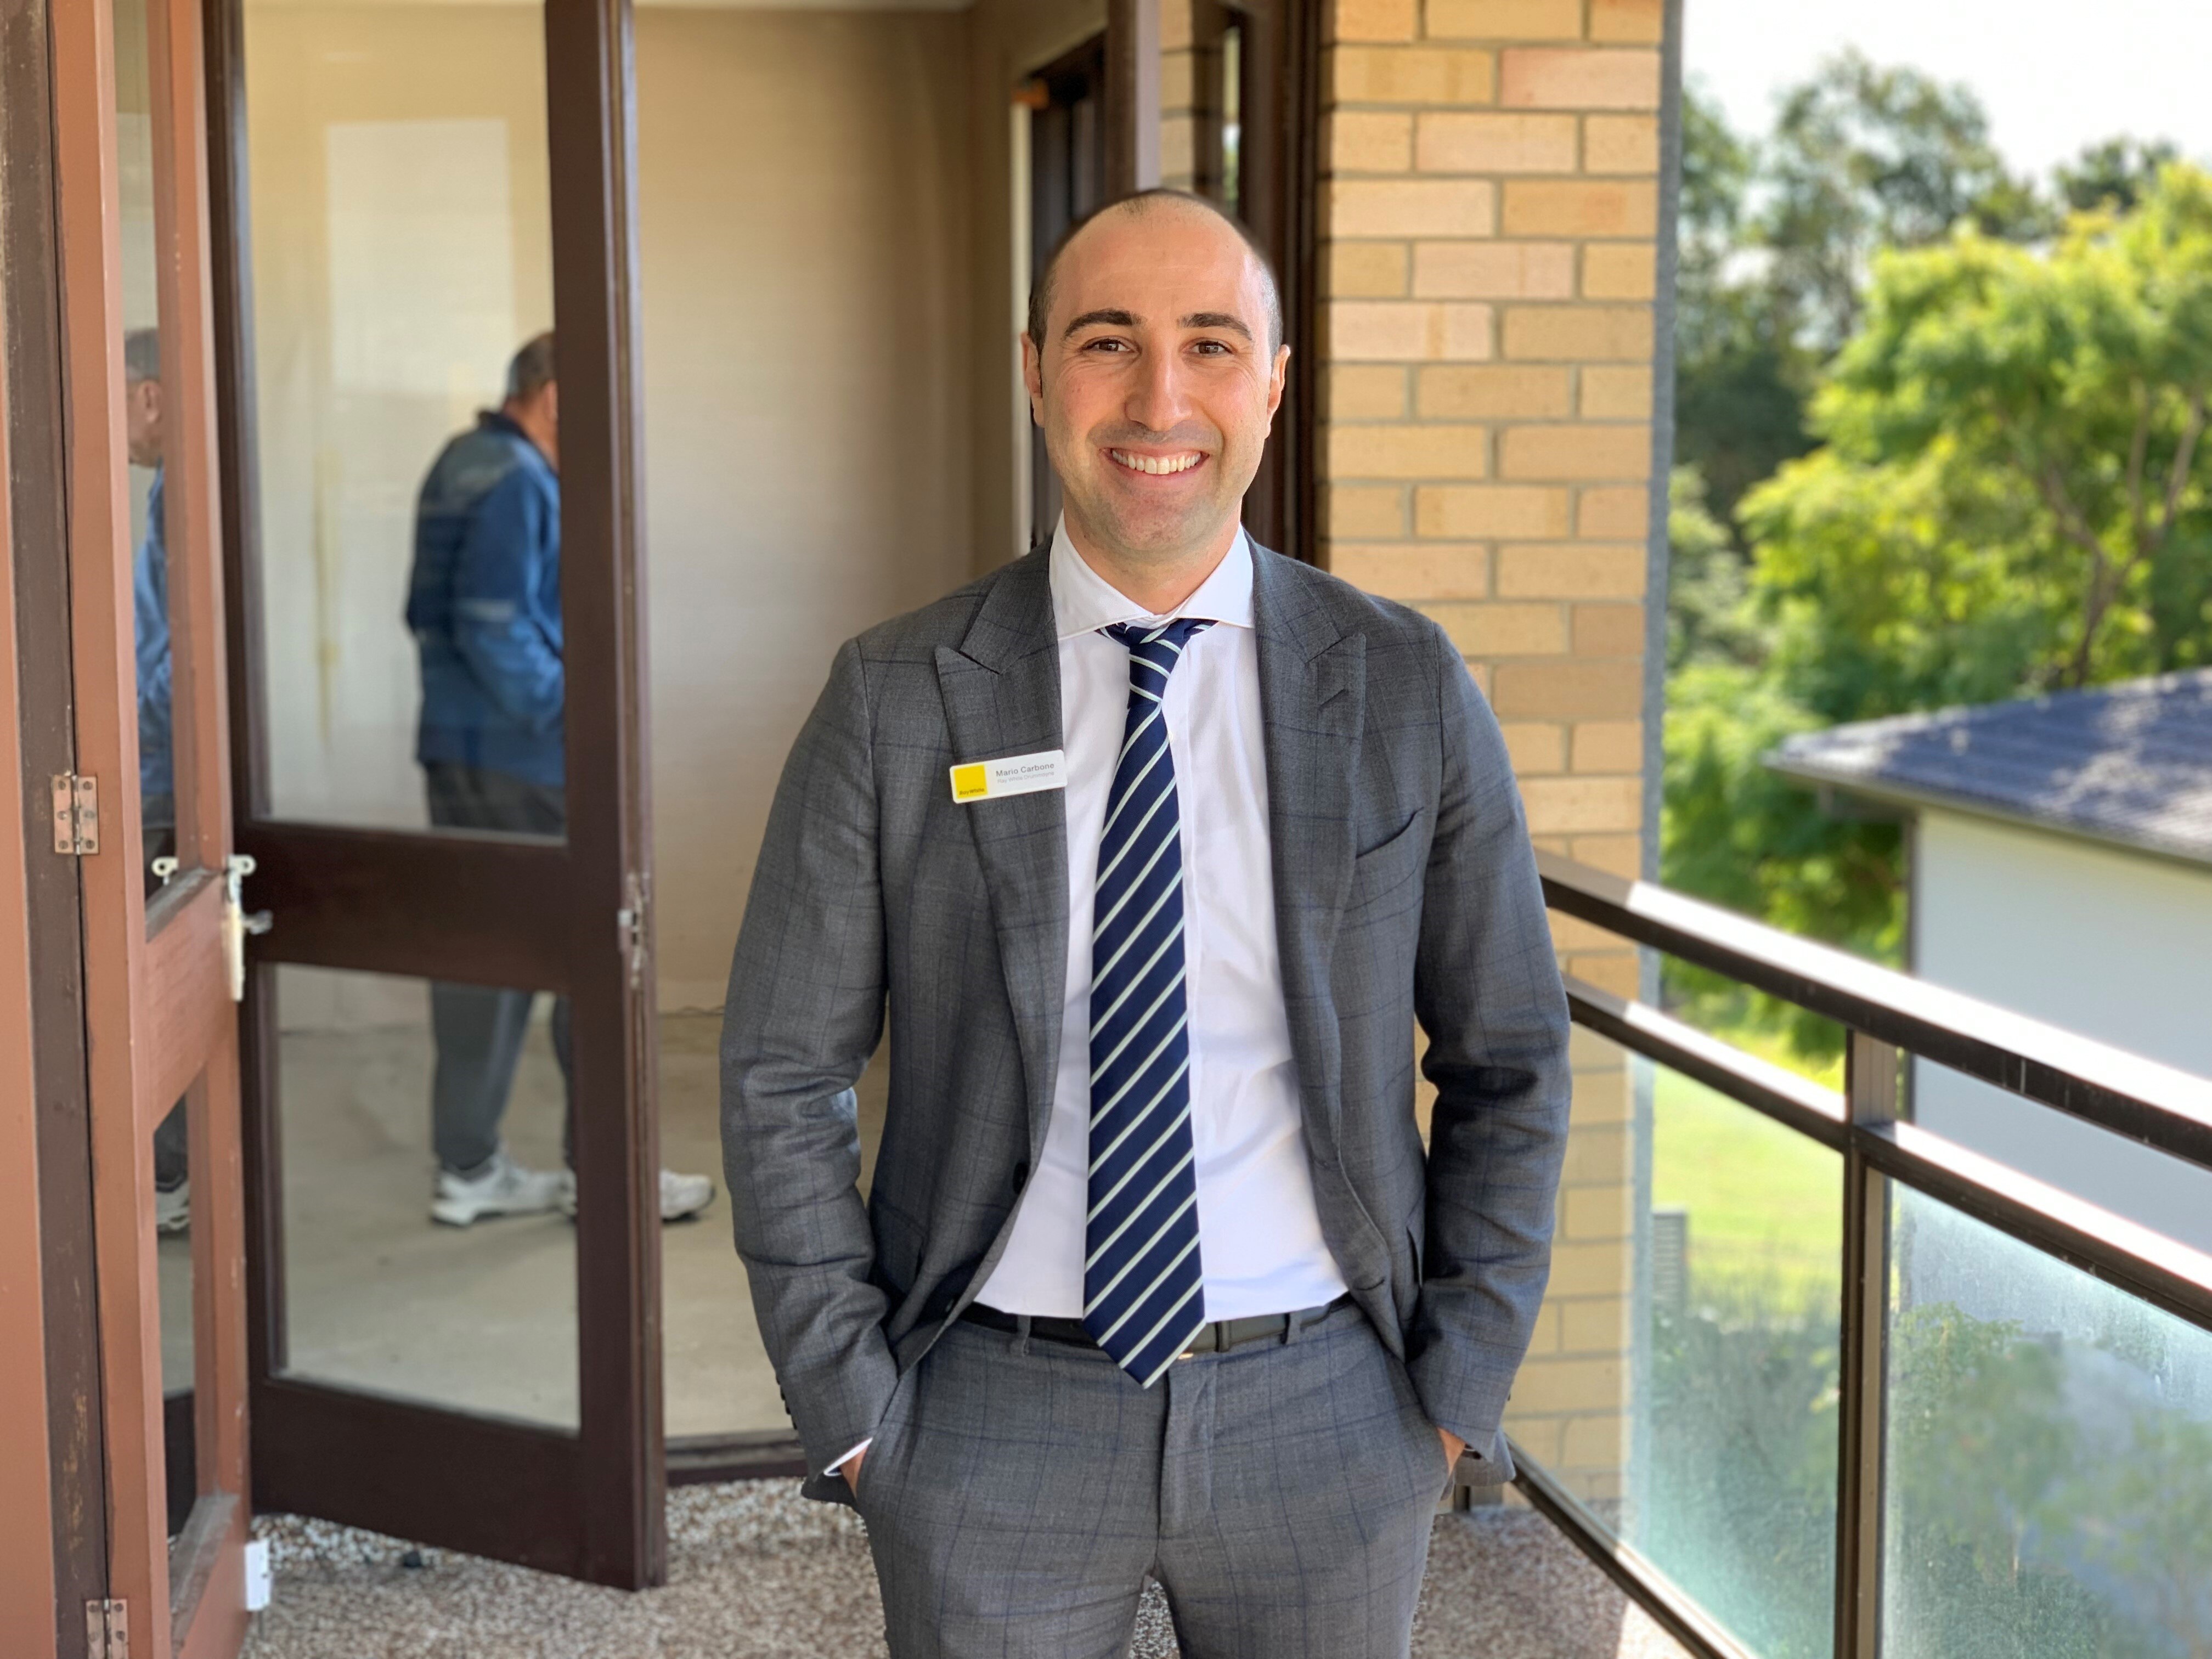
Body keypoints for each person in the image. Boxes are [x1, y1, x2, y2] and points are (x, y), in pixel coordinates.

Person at [721, 191, 1572, 1657]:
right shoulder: (899, 693)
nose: (1160, 398)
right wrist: (856, 1414)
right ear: (1037, 370)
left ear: (1275, 384)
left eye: (1211, 345)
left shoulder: (1407, 685)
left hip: (1330, 1417)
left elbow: (1512, 1059)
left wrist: (1451, 1401)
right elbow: (779, 1070)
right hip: (988, 1415)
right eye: (1109, 342)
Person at [407, 332, 713, 1228]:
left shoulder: (459, 464)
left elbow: (428, 614)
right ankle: (609, 1174)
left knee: (481, 958)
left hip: (461, 748)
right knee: (601, 949)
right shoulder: (517, 482)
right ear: (553, 399)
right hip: (531, 758)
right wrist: (581, 714)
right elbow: (495, 627)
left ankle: (468, 1164)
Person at [125, 327, 191, 1237]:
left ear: (148, 396)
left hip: (167, 782)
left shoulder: (183, 492)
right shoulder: (171, 492)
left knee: (160, 978)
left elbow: (187, 659)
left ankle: (170, 1178)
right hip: (160, 769)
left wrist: (137, 734)